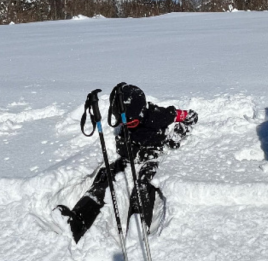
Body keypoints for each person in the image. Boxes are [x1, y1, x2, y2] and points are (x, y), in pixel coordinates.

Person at [58, 82, 198, 243]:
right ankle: (78, 220)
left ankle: (139, 223)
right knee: (105, 175)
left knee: (144, 182)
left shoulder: (159, 115)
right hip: (129, 157)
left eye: (133, 122)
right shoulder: (122, 118)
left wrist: (176, 136)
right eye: (125, 122)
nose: (128, 125)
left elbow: (191, 116)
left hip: (150, 157)